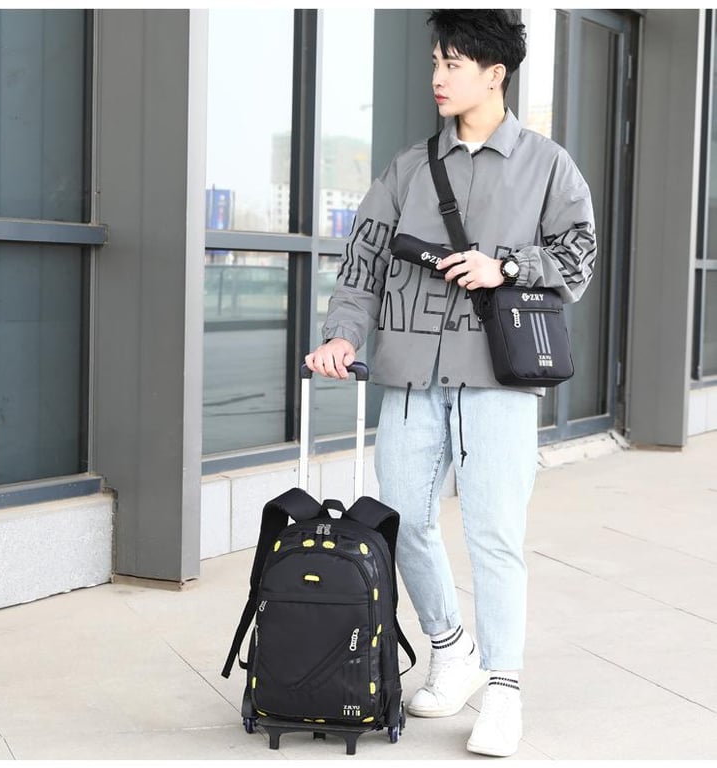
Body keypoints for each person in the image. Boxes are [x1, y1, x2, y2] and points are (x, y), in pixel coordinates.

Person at [305, 9, 596, 758]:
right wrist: (343, 334)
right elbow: (365, 259)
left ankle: (503, 689)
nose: (437, 75)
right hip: (410, 373)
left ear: (495, 74)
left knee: (494, 533)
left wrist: (508, 266)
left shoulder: (547, 164)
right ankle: (449, 646)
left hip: (499, 377)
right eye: (436, 60)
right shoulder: (408, 167)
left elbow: (579, 255)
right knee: (402, 520)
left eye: (453, 62)